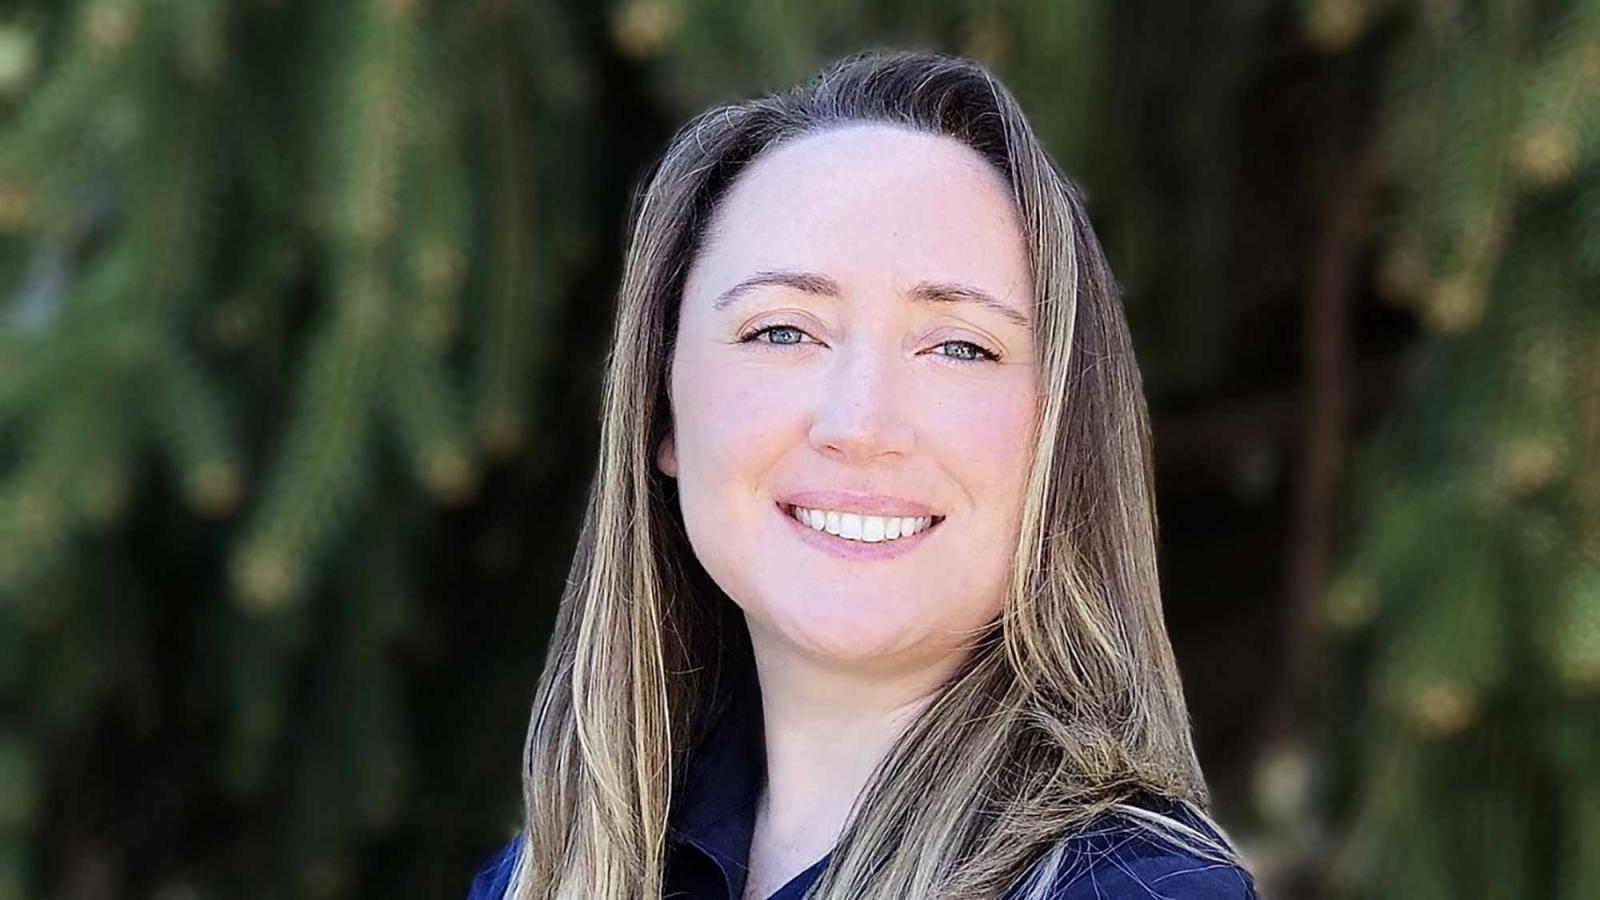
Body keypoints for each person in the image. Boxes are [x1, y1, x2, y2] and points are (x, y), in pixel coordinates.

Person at [466, 48, 1260, 900]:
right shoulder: (542, 878)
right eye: (783, 332)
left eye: (960, 347)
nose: (860, 425)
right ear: (660, 409)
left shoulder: (1137, 892)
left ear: (1063, 438)